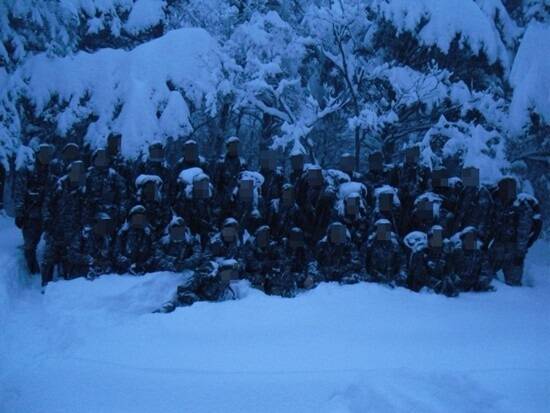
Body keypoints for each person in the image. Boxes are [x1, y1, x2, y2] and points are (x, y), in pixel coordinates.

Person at [41, 160, 87, 287]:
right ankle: (46, 284)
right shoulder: (58, 186)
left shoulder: (82, 189)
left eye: (80, 173)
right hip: (55, 228)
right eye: (74, 172)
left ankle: (68, 285)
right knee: (49, 257)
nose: (77, 175)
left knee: (71, 257)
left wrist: (83, 226)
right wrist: (47, 220)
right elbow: (46, 205)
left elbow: (86, 209)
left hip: (73, 230)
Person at [489, 177, 541, 286]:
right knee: (488, 275)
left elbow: (523, 233)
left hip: (513, 250)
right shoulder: (499, 203)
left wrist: (520, 253)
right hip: (498, 246)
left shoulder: (522, 207)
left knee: (514, 284)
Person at [14, 144, 54, 274]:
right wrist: (19, 213)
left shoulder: (51, 172)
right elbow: (19, 192)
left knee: (44, 242)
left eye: (48, 154)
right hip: (29, 214)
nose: (46, 157)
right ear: (37, 155)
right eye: (43, 154)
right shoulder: (27, 170)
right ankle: (32, 270)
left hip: (46, 214)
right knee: (30, 244)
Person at [408, 225, 458, 297]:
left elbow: (448, 271)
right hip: (420, 291)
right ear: (429, 239)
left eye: (439, 238)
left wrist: (448, 281)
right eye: (434, 238)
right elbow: (419, 274)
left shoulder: (444, 255)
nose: (437, 241)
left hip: (438, 290)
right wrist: (436, 283)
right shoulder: (421, 253)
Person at [66, 212, 117, 279]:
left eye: (106, 224)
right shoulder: (84, 235)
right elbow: (71, 254)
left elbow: (107, 255)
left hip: (97, 274)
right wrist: (87, 259)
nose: (105, 227)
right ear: (95, 224)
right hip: (79, 273)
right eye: (102, 224)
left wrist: (104, 263)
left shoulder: (106, 239)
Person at [85, 148, 128, 226]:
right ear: (94, 160)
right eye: (99, 158)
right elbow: (82, 194)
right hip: (91, 212)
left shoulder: (114, 175)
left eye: (104, 158)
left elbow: (122, 194)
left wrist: (121, 209)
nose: (101, 160)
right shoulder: (87, 176)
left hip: (110, 213)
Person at [454, 167, 493, 244]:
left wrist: (480, 234)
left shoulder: (482, 192)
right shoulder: (464, 191)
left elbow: (484, 216)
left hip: (475, 233)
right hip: (463, 231)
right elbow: (460, 212)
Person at [363, 219, 407, 286]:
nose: (383, 231)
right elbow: (361, 260)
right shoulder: (370, 243)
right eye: (381, 228)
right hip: (372, 280)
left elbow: (403, 262)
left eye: (386, 228)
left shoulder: (395, 244)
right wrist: (365, 275)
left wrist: (400, 276)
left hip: (392, 280)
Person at [450, 227, 494, 292]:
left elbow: (487, 271)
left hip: (474, 289)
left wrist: (481, 282)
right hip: (457, 287)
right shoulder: (455, 253)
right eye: (468, 238)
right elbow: (448, 269)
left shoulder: (479, 255)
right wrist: (455, 279)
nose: (470, 241)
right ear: (463, 239)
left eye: (473, 239)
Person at [115, 205, 155, 275]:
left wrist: (144, 265)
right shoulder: (123, 233)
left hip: (146, 274)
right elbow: (117, 253)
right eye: (136, 217)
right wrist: (127, 264)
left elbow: (154, 253)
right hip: (124, 274)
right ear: (130, 219)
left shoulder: (149, 234)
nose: (138, 220)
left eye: (141, 218)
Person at [242, 225, 284, 292]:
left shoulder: (272, 245)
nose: (264, 237)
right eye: (262, 235)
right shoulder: (250, 244)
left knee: (276, 278)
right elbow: (251, 263)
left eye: (266, 235)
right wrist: (267, 264)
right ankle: (258, 295)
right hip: (251, 273)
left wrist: (272, 267)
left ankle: (275, 296)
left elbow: (280, 260)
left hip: (267, 272)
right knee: (258, 279)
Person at [213, 137, 247, 207]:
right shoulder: (221, 162)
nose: (235, 148)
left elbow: (245, 182)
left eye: (236, 146)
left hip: (237, 196)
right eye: (232, 146)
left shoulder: (242, 163)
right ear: (228, 147)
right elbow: (216, 181)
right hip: (222, 196)